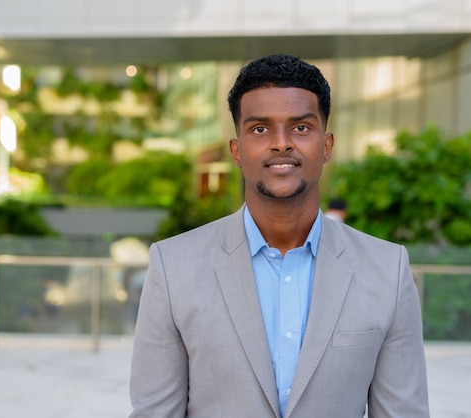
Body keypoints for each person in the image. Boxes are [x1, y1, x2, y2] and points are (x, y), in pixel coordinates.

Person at [129, 54, 429, 417]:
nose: (281, 144)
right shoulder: (173, 266)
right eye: (260, 129)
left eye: (301, 127)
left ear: (327, 145)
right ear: (236, 151)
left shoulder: (388, 269)